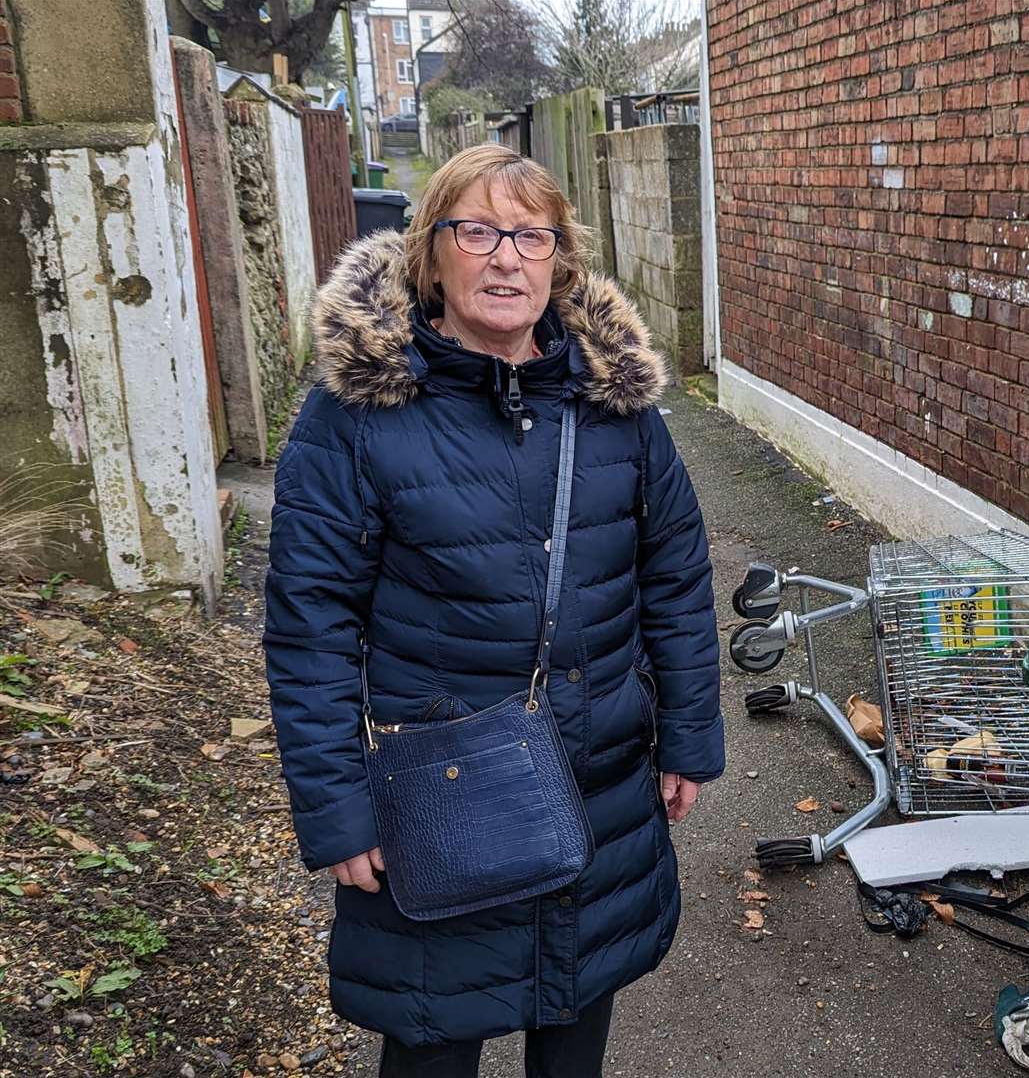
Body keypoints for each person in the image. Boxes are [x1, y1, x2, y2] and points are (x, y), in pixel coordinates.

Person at [264, 143, 723, 1077]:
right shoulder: (356, 416)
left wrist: (688, 735)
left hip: (599, 790)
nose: (506, 256)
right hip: (441, 801)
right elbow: (309, 625)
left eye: (531, 235)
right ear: (431, 256)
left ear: (560, 259)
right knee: (432, 1038)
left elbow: (675, 574)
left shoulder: (614, 408)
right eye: (477, 231)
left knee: (575, 1025)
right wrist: (336, 807)